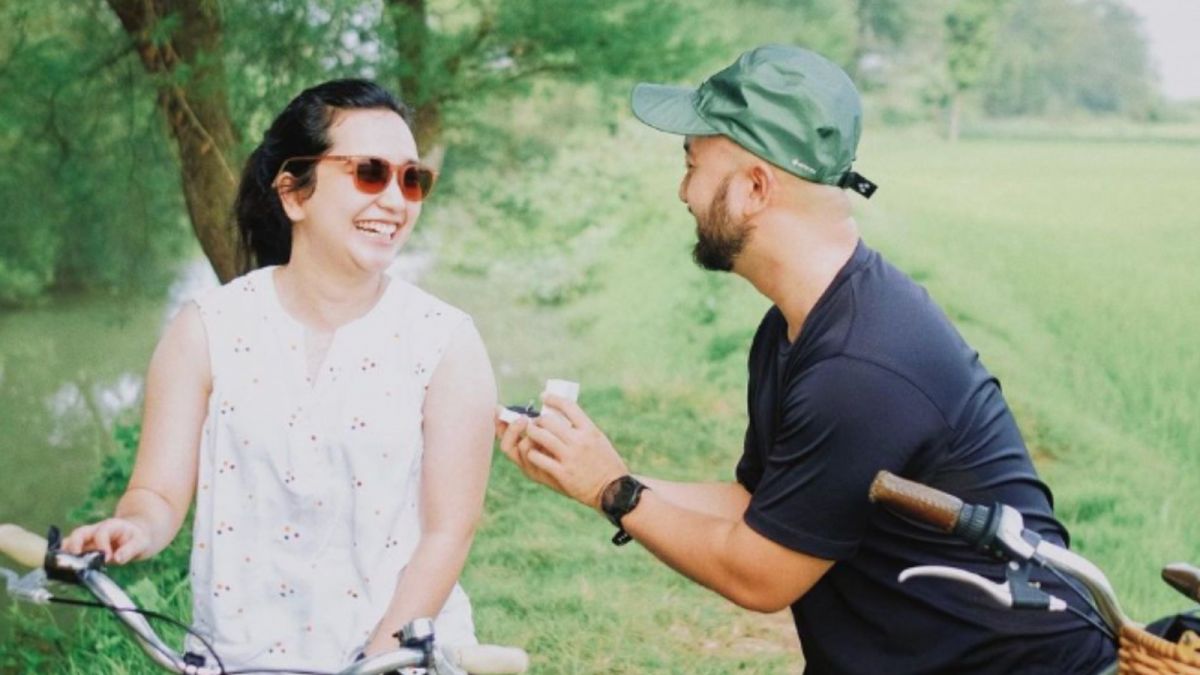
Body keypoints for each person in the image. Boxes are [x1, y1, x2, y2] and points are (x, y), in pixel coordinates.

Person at [496, 45, 1116, 673]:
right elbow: (759, 507)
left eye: (692, 165)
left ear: (755, 188)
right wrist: (586, 470)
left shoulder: (861, 366)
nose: (683, 191)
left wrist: (615, 491)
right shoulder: (794, 328)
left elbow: (759, 575)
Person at [63, 79, 497, 670]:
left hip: (394, 659)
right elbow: (157, 492)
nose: (396, 199)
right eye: (370, 172)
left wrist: (377, 658)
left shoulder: (446, 342)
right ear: (294, 193)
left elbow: (449, 532)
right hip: (235, 657)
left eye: (412, 178)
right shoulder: (205, 330)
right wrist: (133, 526)